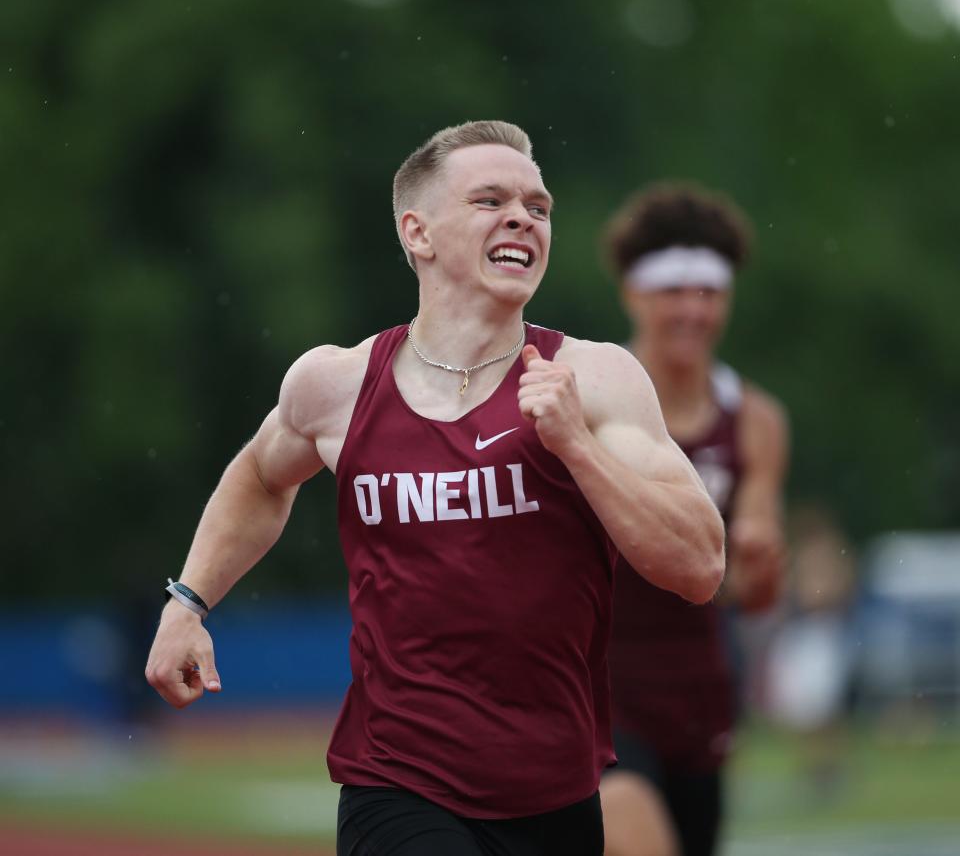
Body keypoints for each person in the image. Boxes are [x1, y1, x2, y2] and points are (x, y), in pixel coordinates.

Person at [145, 122, 725, 856]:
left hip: (557, 791)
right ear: (417, 233)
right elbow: (259, 478)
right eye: (490, 200)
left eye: (538, 207)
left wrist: (576, 446)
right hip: (398, 783)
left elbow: (700, 566)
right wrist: (187, 603)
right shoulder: (337, 384)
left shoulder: (596, 379)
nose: (523, 218)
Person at [599, 183, 790, 856]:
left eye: (709, 293)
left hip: (700, 694)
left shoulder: (756, 422)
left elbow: (751, 590)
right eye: (672, 291)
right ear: (632, 294)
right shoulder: (586, 401)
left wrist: (762, 563)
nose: (692, 310)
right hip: (596, 688)